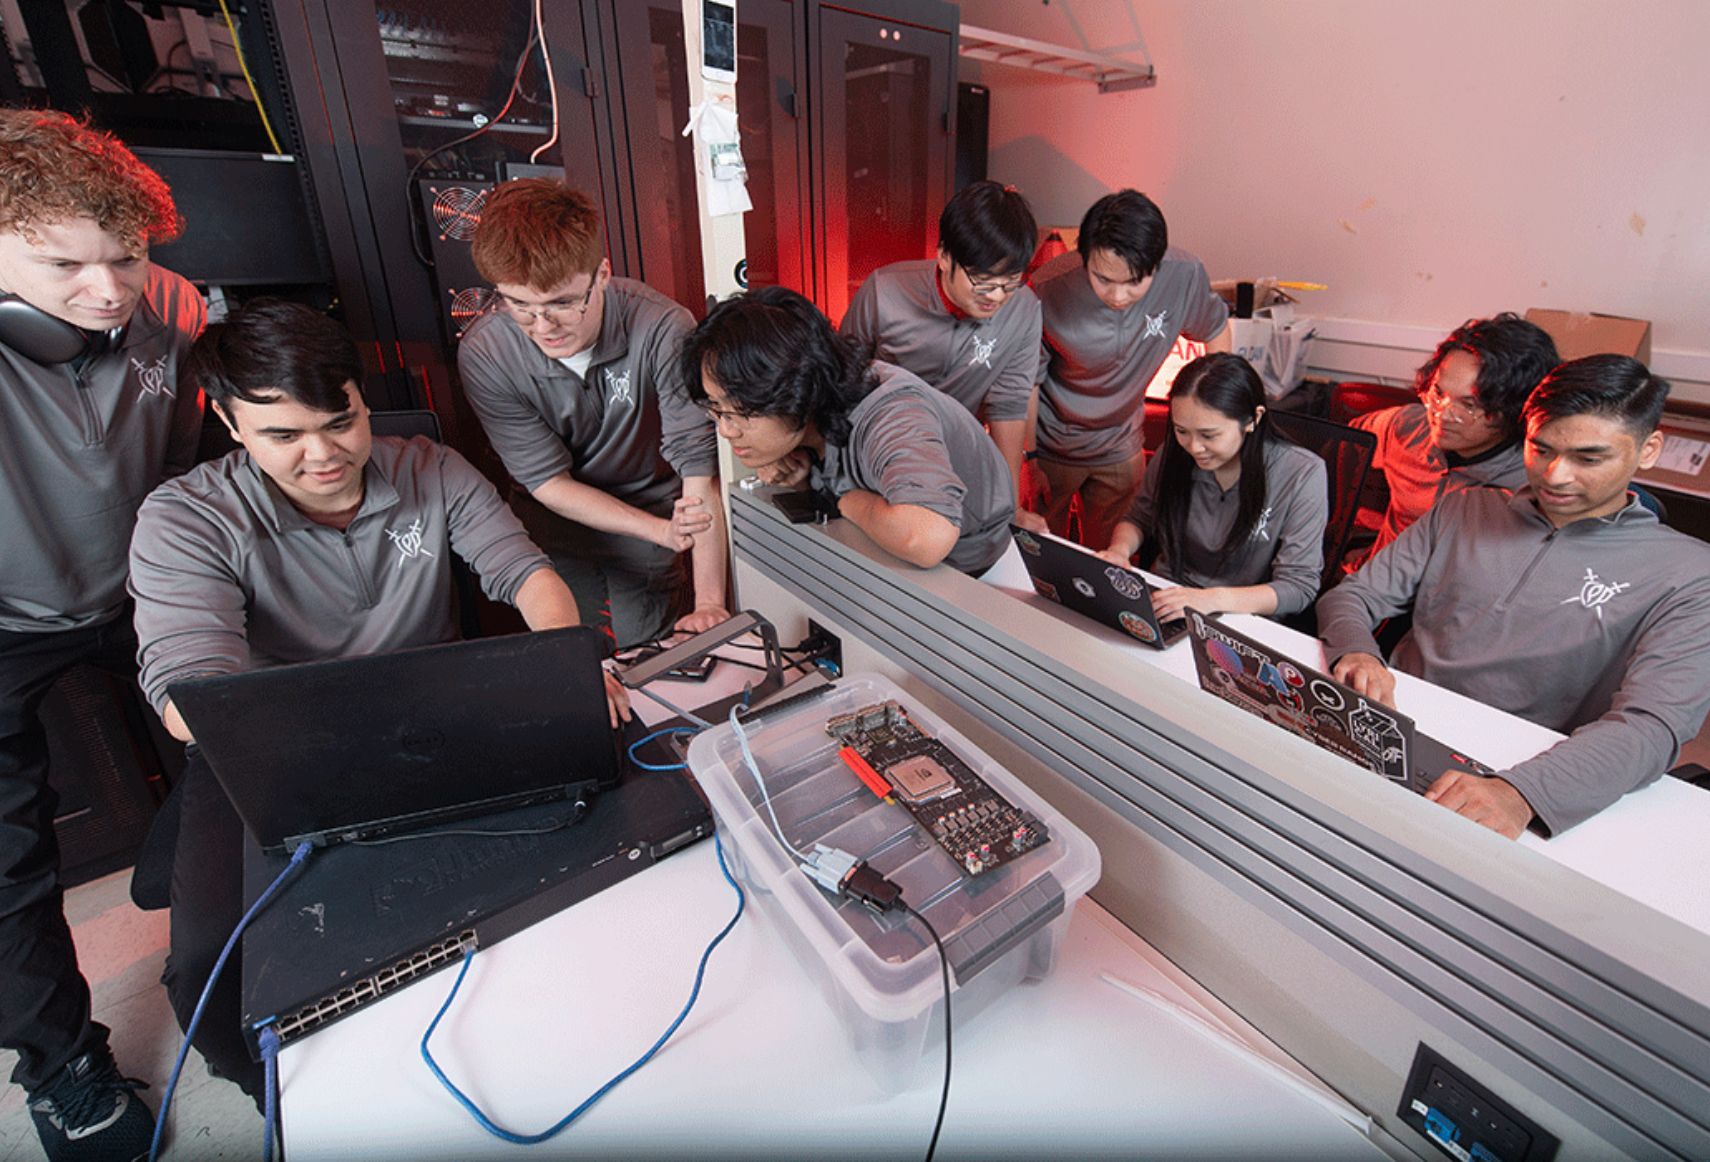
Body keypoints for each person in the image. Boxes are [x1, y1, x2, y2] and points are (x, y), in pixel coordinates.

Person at [127, 300, 619, 1101]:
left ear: (361, 398)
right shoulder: (188, 518)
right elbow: (190, 697)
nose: (322, 454)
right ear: (229, 422)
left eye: (340, 421)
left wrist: (573, 665)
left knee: (573, 846)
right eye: (284, 436)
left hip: (433, 714)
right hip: (262, 747)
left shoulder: (430, 467)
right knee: (213, 968)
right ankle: (291, 1107)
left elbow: (526, 574)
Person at [0, 107, 205, 1160]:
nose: (107, 290)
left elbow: (179, 466)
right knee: (8, 863)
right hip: (6, 619)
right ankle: (59, 1066)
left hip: (138, 587)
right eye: (63, 265)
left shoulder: (168, 311)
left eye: (124, 257)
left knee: (244, 748)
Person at [1317, 355, 1710, 839]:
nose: (1556, 475)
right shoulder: (1465, 508)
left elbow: (1653, 724)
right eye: (1540, 449)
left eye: (1589, 459)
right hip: (1390, 723)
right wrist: (1357, 650)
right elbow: (1353, 597)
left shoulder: (1691, 574)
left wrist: (1521, 793)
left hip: (1519, 765)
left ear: (1648, 450)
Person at [459, 179, 727, 649]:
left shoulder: (662, 328)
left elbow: (698, 474)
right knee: (576, 662)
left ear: (602, 273)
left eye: (562, 303)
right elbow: (547, 483)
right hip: (557, 529)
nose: (543, 327)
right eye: (520, 306)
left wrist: (709, 603)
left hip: (651, 517)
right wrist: (661, 531)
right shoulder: (487, 352)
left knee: (647, 660)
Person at [680, 287, 1016, 575]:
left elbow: (927, 537)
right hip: (897, 562)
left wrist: (848, 501)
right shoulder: (813, 419)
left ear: (795, 389)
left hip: (979, 573)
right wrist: (802, 476)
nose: (725, 430)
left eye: (737, 412)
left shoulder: (890, 413)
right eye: (716, 410)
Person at [839, 180, 1046, 531]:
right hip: (876, 452)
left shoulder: (1024, 310)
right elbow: (841, 382)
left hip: (954, 455)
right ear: (945, 256)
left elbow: (1008, 407)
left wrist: (1007, 507)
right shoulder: (883, 292)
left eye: (1011, 282)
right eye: (983, 280)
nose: (996, 296)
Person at [1028, 189, 1230, 547]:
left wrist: (1213, 417)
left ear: (1157, 264)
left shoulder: (1183, 275)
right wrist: (1026, 459)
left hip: (1121, 444)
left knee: (1113, 556)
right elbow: (1023, 382)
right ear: (1084, 256)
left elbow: (1214, 329)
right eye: (1103, 279)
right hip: (1051, 446)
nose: (1117, 297)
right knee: (1041, 554)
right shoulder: (1047, 287)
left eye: (1134, 283)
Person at [1096, 353, 1327, 621]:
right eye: (1181, 430)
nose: (1194, 447)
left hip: (1241, 616)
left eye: (1209, 435)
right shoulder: (1173, 453)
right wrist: (1119, 551)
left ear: (1253, 419)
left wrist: (1208, 599)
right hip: (1167, 598)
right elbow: (1138, 518)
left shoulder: (1302, 473)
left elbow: (1298, 587)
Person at [1344, 313, 1559, 570]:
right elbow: (1339, 446)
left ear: (1515, 410)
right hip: (1373, 588)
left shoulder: (1532, 479)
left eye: (1469, 405)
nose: (1443, 415)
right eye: (1438, 393)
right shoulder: (1407, 427)